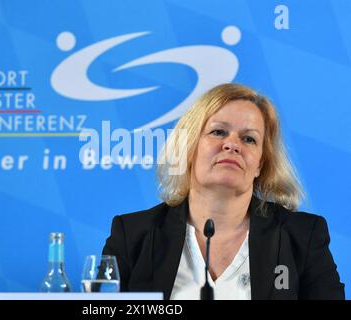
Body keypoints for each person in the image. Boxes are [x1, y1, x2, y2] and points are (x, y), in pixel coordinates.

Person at [102, 83, 345, 300]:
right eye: (218, 132)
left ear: (260, 163)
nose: (232, 145)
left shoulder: (301, 236)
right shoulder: (132, 235)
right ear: (189, 148)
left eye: (249, 139)